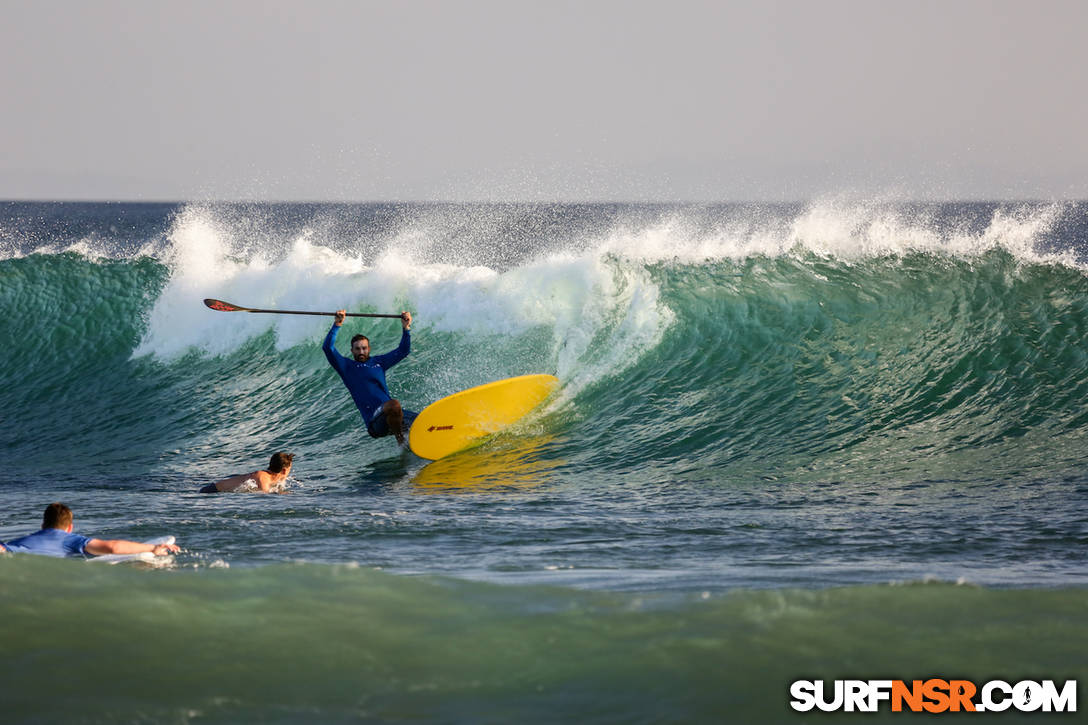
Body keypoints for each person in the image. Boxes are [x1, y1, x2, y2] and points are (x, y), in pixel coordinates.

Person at [323, 308, 418, 445]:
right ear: (352, 351)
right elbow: (328, 348)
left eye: (364, 348)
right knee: (394, 405)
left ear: (369, 349)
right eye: (357, 349)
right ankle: (401, 442)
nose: (361, 351)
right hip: (375, 422)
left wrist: (406, 327)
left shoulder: (379, 363)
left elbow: (403, 351)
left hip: (393, 415)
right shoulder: (346, 367)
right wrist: (337, 324)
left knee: (425, 419)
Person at [1, 503, 180, 558]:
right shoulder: (68, 540)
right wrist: (152, 548)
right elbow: (112, 548)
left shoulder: (25, 539)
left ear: (42, 526)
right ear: (70, 527)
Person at [198, 452, 294, 493]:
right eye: (290, 469)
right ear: (284, 470)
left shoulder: (270, 478)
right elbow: (265, 498)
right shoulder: (263, 477)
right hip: (210, 491)